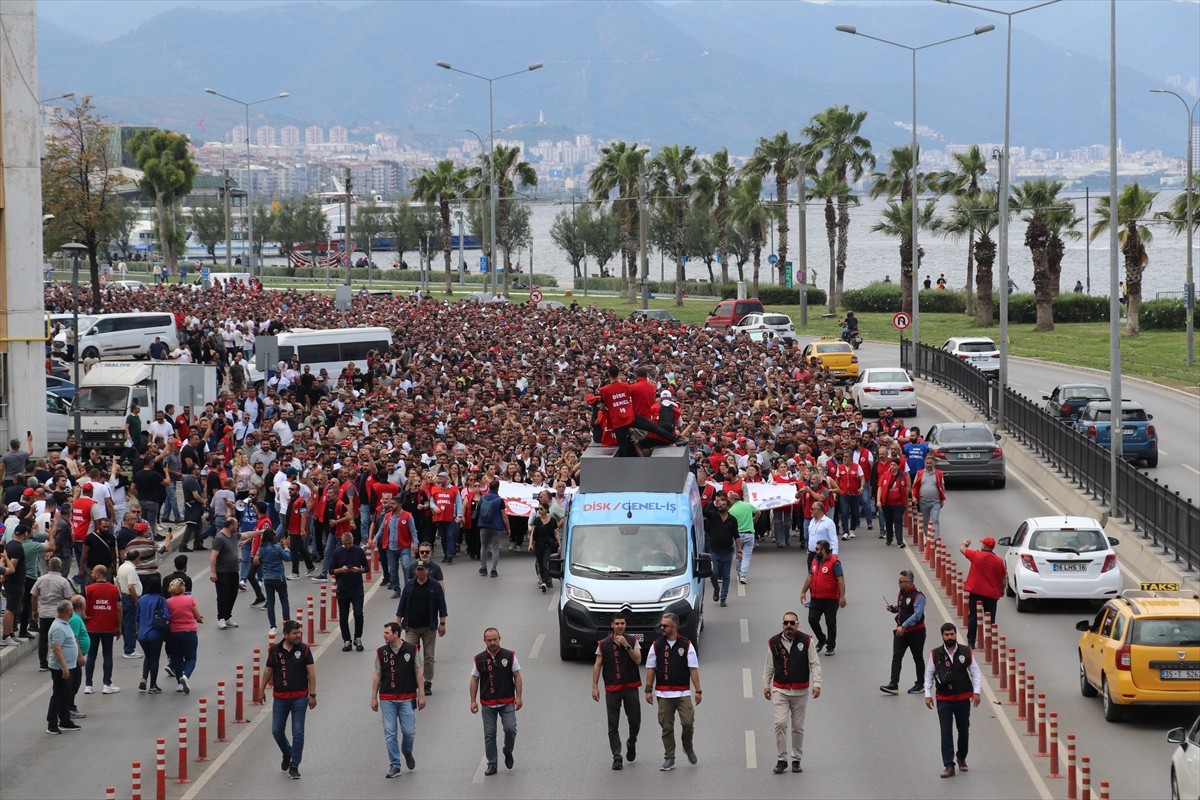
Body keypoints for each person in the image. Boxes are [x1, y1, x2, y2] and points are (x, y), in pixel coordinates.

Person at [256, 620, 316, 780]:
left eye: (299, 632)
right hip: (280, 698)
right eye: (295, 633)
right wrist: (260, 691)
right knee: (276, 730)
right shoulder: (274, 651)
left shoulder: (304, 649)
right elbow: (268, 670)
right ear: (286, 634)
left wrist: (313, 695)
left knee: (298, 732)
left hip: (299, 698)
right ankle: (287, 752)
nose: (298, 636)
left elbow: (311, 673)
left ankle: (294, 765)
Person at [763, 610, 821, 774]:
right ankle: (782, 759)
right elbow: (769, 666)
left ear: (797, 624)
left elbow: (815, 664)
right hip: (780, 689)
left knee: (797, 727)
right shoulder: (773, 642)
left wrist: (817, 684)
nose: (789, 626)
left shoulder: (807, 641)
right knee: (780, 723)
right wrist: (766, 685)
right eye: (786, 623)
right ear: (782, 625)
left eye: (792, 623)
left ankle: (796, 759)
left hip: (800, 691)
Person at [643, 612, 701, 771]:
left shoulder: (686, 645)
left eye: (665, 626)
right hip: (663, 694)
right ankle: (669, 757)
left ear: (674, 627)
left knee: (688, 723)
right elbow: (650, 669)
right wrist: (648, 690)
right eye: (661, 625)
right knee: (666, 727)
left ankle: (687, 746)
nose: (661, 628)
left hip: (683, 693)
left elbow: (693, 669)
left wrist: (698, 690)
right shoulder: (657, 645)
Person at [923, 622, 982, 778]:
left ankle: (961, 757)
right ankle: (949, 765)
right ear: (942, 636)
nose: (950, 637)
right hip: (944, 700)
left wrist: (976, 692)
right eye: (947, 634)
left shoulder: (965, 651)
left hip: (963, 699)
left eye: (952, 634)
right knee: (946, 732)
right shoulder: (935, 654)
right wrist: (927, 694)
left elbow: (975, 672)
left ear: (956, 634)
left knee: (963, 730)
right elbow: (928, 675)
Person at [370, 621, 425, 779]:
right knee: (390, 732)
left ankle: (407, 751)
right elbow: (377, 674)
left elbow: (418, 672)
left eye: (387, 633)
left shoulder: (411, 649)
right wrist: (374, 697)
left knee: (409, 732)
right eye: (384, 633)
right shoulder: (381, 652)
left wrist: (421, 694)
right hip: (387, 698)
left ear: (396, 634)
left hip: (407, 697)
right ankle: (395, 764)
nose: (384, 636)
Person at [591, 613, 643, 770]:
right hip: (612, 689)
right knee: (613, 724)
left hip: (631, 687)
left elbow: (638, 660)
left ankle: (631, 742)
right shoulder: (603, 644)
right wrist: (595, 686)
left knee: (635, 722)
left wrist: (626, 645)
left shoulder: (633, 640)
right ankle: (617, 756)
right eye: (617, 623)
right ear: (612, 625)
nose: (620, 626)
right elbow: (597, 665)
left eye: (622, 623)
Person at [469, 627, 523, 776]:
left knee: (510, 729)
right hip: (488, 703)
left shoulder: (509, 655)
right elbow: (474, 679)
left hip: (507, 702)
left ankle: (508, 751)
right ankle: (492, 764)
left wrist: (519, 697)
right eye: (489, 640)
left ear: (499, 638)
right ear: (484, 641)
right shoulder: (479, 659)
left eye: (495, 639)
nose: (492, 642)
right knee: (490, 734)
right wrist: (473, 701)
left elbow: (517, 676)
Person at [395, 560, 447, 693]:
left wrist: (442, 624)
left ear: (427, 570)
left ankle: (427, 682)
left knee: (428, 656)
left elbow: (442, 606)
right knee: (407, 654)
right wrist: (398, 622)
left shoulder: (435, 586)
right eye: (418, 570)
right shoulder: (409, 586)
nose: (420, 572)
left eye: (422, 569)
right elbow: (402, 605)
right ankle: (410, 680)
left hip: (429, 628)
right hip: (411, 627)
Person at [879, 570, 927, 696]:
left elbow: (917, 615)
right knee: (897, 656)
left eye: (901, 581)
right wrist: (893, 608)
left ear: (909, 582)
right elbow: (902, 608)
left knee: (917, 657)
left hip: (916, 632)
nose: (898, 583)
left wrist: (904, 626)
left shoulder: (919, 596)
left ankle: (920, 683)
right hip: (901, 632)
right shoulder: (902, 593)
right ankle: (893, 684)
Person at [800, 539, 846, 656]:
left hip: (831, 599)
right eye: (816, 549)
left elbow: (840, 580)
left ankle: (830, 646)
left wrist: (842, 597)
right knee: (812, 619)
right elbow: (810, 576)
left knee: (830, 623)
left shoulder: (835, 563)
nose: (816, 551)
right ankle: (821, 638)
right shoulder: (815, 561)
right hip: (816, 597)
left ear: (824, 550)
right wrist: (803, 591)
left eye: (818, 549)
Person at [960, 537, 1006, 647]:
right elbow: (1003, 578)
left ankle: (971, 642)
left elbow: (962, 549)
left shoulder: (976, 555)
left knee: (973, 617)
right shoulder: (999, 561)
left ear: (984, 546)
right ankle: (989, 641)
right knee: (990, 619)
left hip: (976, 592)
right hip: (991, 594)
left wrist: (966, 542)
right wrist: (1002, 589)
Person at [31, 557, 75, 671]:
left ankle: (42, 663)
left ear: (48, 566)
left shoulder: (41, 579)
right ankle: (59, 661)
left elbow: (34, 595)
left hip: (44, 613)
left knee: (43, 639)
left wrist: (35, 610)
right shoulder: (63, 581)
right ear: (60, 567)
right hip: (58, 614)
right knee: (59, 639)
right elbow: (68, 598)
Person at [83, 564, 121, 695]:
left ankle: (88, 685)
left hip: (92, 627)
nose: (92, 574)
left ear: (98, 574)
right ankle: (107, 684)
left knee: (91, 655)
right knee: (107, 654)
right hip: (108, 627)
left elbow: (82, 607)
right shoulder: (115, 589)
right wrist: (118, 626)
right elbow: (119, 608)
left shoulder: (88, 589)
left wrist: (84, 620)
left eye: (93, 572)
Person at [46, 599, 81, 734]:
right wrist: (64, 668)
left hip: (70, 665)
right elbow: (57, 648)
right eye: (71, 608)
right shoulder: (58, 627)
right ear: (68, 611)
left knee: (66, 695)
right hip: (61, 667)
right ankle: (52, 724)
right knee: (59, 695)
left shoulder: (64, 624)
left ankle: (65, 720)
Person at [330, 532, 367, 651]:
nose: (348, 546)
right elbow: (331, 570)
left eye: (350, 544)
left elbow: (366, 568)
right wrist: (341, 570)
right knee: (343, 616)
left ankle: (358, 637)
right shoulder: (337, 552)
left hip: (357, 589)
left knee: (358, 614)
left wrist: (358, 570)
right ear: (342, 542)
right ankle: (346, 640)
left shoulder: (359, 551)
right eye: (345, 544)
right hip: (343, 589)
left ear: (353, 541)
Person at [702, 490, 740, 607]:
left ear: (728, 507)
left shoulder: (732, 520)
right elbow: (703, 511)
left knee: (726, 575)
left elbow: (736, 536)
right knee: (713, 573)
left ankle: (723, 597)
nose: (720, 506)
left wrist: (740, 551)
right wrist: (713, 502)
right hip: (714, 551)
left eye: (723, 504)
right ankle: (716, 588)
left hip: (727, 552)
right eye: (719, 504)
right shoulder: (713, 516)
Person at [165, 578, 203, 693]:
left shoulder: (168, 602)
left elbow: (167, 618)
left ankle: (179, 684)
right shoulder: (190, 599)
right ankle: (185, 676)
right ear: (182, 588)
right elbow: (197, 616)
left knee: (177, 659)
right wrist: (200, 619)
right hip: (189, 632)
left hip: (174, 633)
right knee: (191, 658)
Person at [209, 517, 245, 629]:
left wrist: (259, 532)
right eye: (236, 525)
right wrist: (213, 572)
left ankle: (227, 616)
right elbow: (213, 556)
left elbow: (246, 535)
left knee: (232, 594)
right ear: (230, 526)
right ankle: (221, 618)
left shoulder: (234, 536)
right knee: (223, 596)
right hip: (222, 572)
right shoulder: (219, 538)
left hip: (234, 571)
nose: (237, 527)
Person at [135, 574, 169, 693]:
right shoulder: (161, 599)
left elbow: (137, 618)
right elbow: (167, 615)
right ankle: (153, 685)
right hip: (155, 634)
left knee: (147, 657)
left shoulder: (141, 600)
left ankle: (144, 677)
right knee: (154, 658)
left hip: (142, 634)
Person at [255, 528, 291, 635]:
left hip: (267, 578)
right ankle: (287, 624)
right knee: (284, 601)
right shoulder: (276, 548)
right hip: (279, 577)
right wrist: (286, 547)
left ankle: (273, 626)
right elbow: (287, 557)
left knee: (271, 603)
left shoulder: (261, 548)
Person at [475, 479, 509, 578]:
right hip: (496, 526)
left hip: (484, 525)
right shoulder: (499, 500)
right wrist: (508, 528)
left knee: (484, 546)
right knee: (495, 548)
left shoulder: (483, 498)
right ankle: (493, 569)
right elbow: (504, 516)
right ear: (498, 488)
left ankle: (483, 567)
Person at [528, 499, 560, 593]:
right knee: (540, 565)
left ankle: (545, 583)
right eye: (538, 509)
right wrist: (530, 544)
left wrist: (559, 545)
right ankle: (544, 581)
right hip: (538, 545)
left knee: (546, 564)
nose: (539, 511)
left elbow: (556, 533)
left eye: (541, 509)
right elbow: (533, 533)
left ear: (546, 510)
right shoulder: (537, 521)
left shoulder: (553, 520)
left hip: (548, 546)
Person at [727, 490, 759, 585]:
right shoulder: (747, 505)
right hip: (749, 534)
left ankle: (739, 573)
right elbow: (758, 512)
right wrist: (754, 519)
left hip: (738, 535)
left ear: (732, 500)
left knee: (738, 555)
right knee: (747, 556)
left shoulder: (731, 511)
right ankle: (743, 575)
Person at [911, 458, 946, 542]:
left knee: (935, 520)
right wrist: (914, 497)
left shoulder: (939, 474)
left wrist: (942, 499)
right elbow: (914, 486)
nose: (928, 465)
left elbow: (942, 487)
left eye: (930, 463)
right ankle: (928, 538)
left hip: (936, 501)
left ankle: (936, 539)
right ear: (924, 463)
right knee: (925, 521)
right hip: (923, 501)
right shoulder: (920, 473)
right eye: (927, 463)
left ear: (933, 463)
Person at [116, 551, 142, 657]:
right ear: (136, 558)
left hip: (124, 597)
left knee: (127, 624)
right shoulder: (131, 569)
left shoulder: (122, 567)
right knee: (131, 625)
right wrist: (136, 601)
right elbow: (131, 586)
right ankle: (129, 650)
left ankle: (128, 648)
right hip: (130, 599)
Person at [804, 501, 837, 576]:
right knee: (811, 576)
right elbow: (811, 536)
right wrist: (809, 548)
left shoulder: (829, 522)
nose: (810, 510)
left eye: (812, 509)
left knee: (823, 576)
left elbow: (833, 538)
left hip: (823, 554)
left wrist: (835, 553)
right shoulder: (812, 521)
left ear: (818, 510)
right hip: (811, 554)